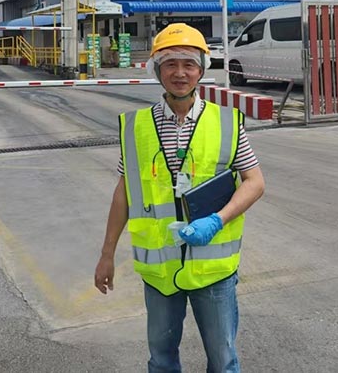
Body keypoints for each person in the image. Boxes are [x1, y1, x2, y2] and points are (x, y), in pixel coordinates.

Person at [94, 23, 265, 372]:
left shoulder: (227, 122)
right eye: (170, 63)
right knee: (161, 360)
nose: (180, 72)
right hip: (159, 272)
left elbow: (255, 182)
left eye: (188, 63)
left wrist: (217, 219)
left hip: (213, 271)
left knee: (223, 359)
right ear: (157, 69)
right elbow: (124, 194)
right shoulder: (135, 126)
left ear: (201, 69)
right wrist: (106, 254)